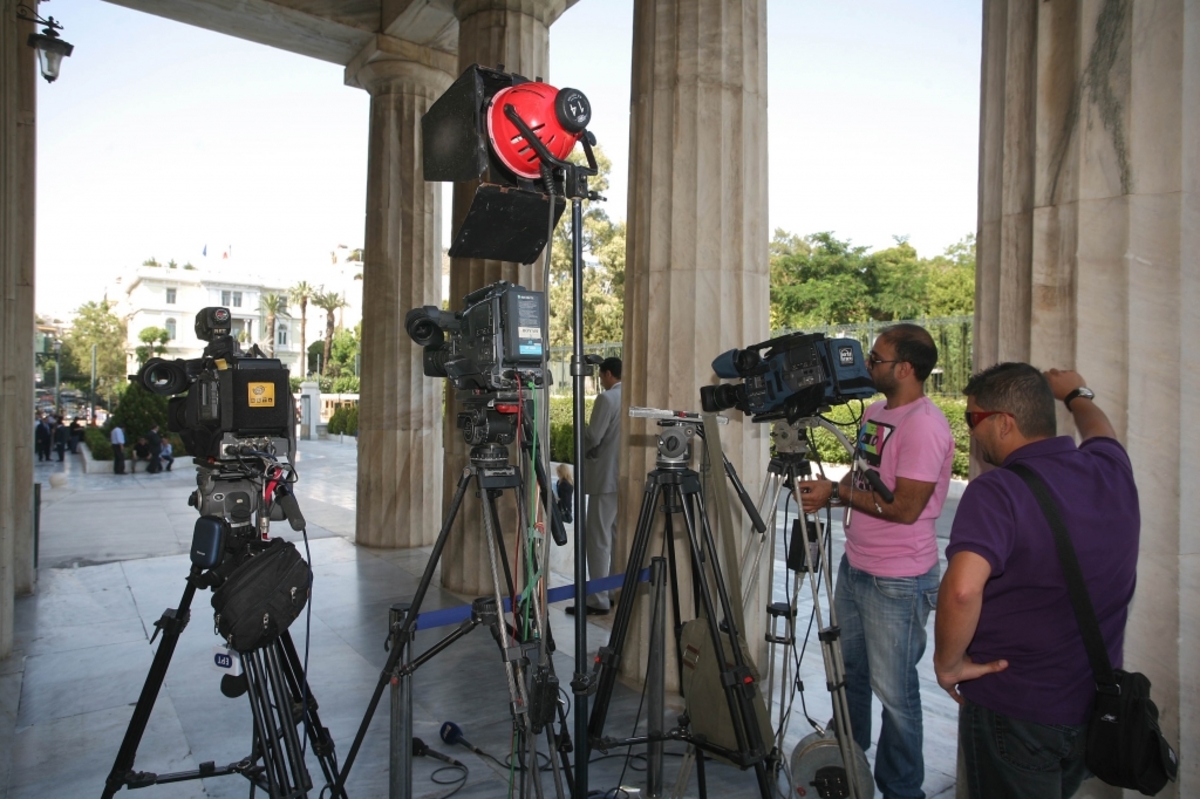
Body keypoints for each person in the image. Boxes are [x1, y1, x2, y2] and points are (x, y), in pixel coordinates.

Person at [933, 365, 1138, 798]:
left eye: (973, 418)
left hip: (1014, 709)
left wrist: (948, 665)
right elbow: (1101, 430)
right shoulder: (1111, 468)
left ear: (1004, 422)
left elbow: (963, 589)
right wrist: (1076, 393)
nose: (970, 431)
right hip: (1090, 704)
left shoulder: (997, 491)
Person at [800, 323, 955, 799]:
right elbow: (866, 478)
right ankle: (848, 764)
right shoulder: (875, 411)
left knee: (896, 695)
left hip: (899, 579)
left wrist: (837, 492)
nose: (867, 366)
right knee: (851, 675)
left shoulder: (925, 425)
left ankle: (901, 789)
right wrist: (832, 495)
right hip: (858, 566)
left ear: (905, 369)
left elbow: (906, 507)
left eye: (876, 360)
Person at [569, 356, 622, 616]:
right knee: (614, 537)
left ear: (609, 374)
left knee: (598, 540)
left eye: (601, 376)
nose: (601, 381)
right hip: (624, 478)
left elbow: (593, 436)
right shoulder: (632, 396)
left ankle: (598, 598)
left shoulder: (607, 399)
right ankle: (611, 591)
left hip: (604, 477)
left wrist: (580, 438)